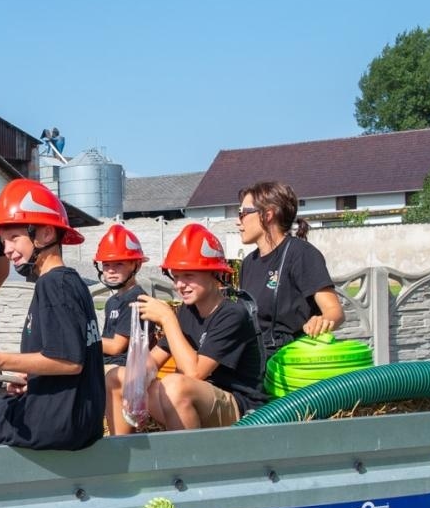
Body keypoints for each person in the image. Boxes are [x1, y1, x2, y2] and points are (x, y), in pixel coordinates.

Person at [0, 181, 104, 451]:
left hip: (55, 420)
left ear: (44, 234)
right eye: (3, 241)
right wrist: (30, 379)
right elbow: (68, 357)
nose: (6, 249)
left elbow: (69, 362)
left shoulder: (53, 284)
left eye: (14, 237)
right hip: (80, 418)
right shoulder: (73, 284)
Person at [107, 223, 266, 434]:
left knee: (174, 386)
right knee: (116, 377)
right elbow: (154, 360)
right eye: (177, 276)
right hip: (191, 398)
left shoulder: (232, 314)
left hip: (236, 407)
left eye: (189, 275)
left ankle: (188, 463)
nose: (180, 284)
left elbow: (194, 373)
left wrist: (167, 319)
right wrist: (134, 385)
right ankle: (123, 456)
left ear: (214, 275)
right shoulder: (187, 311)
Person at [237, 181, 343, 360]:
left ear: (267, 214)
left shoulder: (301, 254)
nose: (237, 221)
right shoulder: (248, 263)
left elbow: (335, 312)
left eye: (243, 213)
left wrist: (321, 321)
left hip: (289, 360)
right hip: (253, 360)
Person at [94, 223, 149, 376]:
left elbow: (116, 347)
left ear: (136, 265)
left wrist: (81, 338)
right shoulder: (112, 301)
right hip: (109, 364)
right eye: (106, 264)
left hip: (125, 370)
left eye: (119, 264)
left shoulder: (136, 299)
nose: (111, 270)